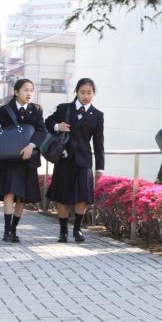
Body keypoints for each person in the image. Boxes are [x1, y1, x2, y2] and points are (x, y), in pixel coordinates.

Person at [0, 79, 47, 243]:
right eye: (25, 90)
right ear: (16, 92)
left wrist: (31, 146)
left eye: (31, 90)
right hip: (10, 159)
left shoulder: (36, 110)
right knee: (9, 192)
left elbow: (41, 131)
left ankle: (13, 229)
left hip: (28, 159)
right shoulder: (6, 110)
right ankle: (6, 230)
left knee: (22, 197)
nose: (29, 93)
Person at [44, 78, 104, 243]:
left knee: (82, 197)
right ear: (76, 92)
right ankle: (63, 232)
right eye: (82, 92)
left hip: (84, 160)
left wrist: (100, 168)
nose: (86, 96)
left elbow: (99, 143)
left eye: (89, 93)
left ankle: (77, 230)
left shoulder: (98, 115)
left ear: (93, 94)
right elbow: (47, 122)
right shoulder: (65, 109)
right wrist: (58, 126)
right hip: (64, 158)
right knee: (62, 197)